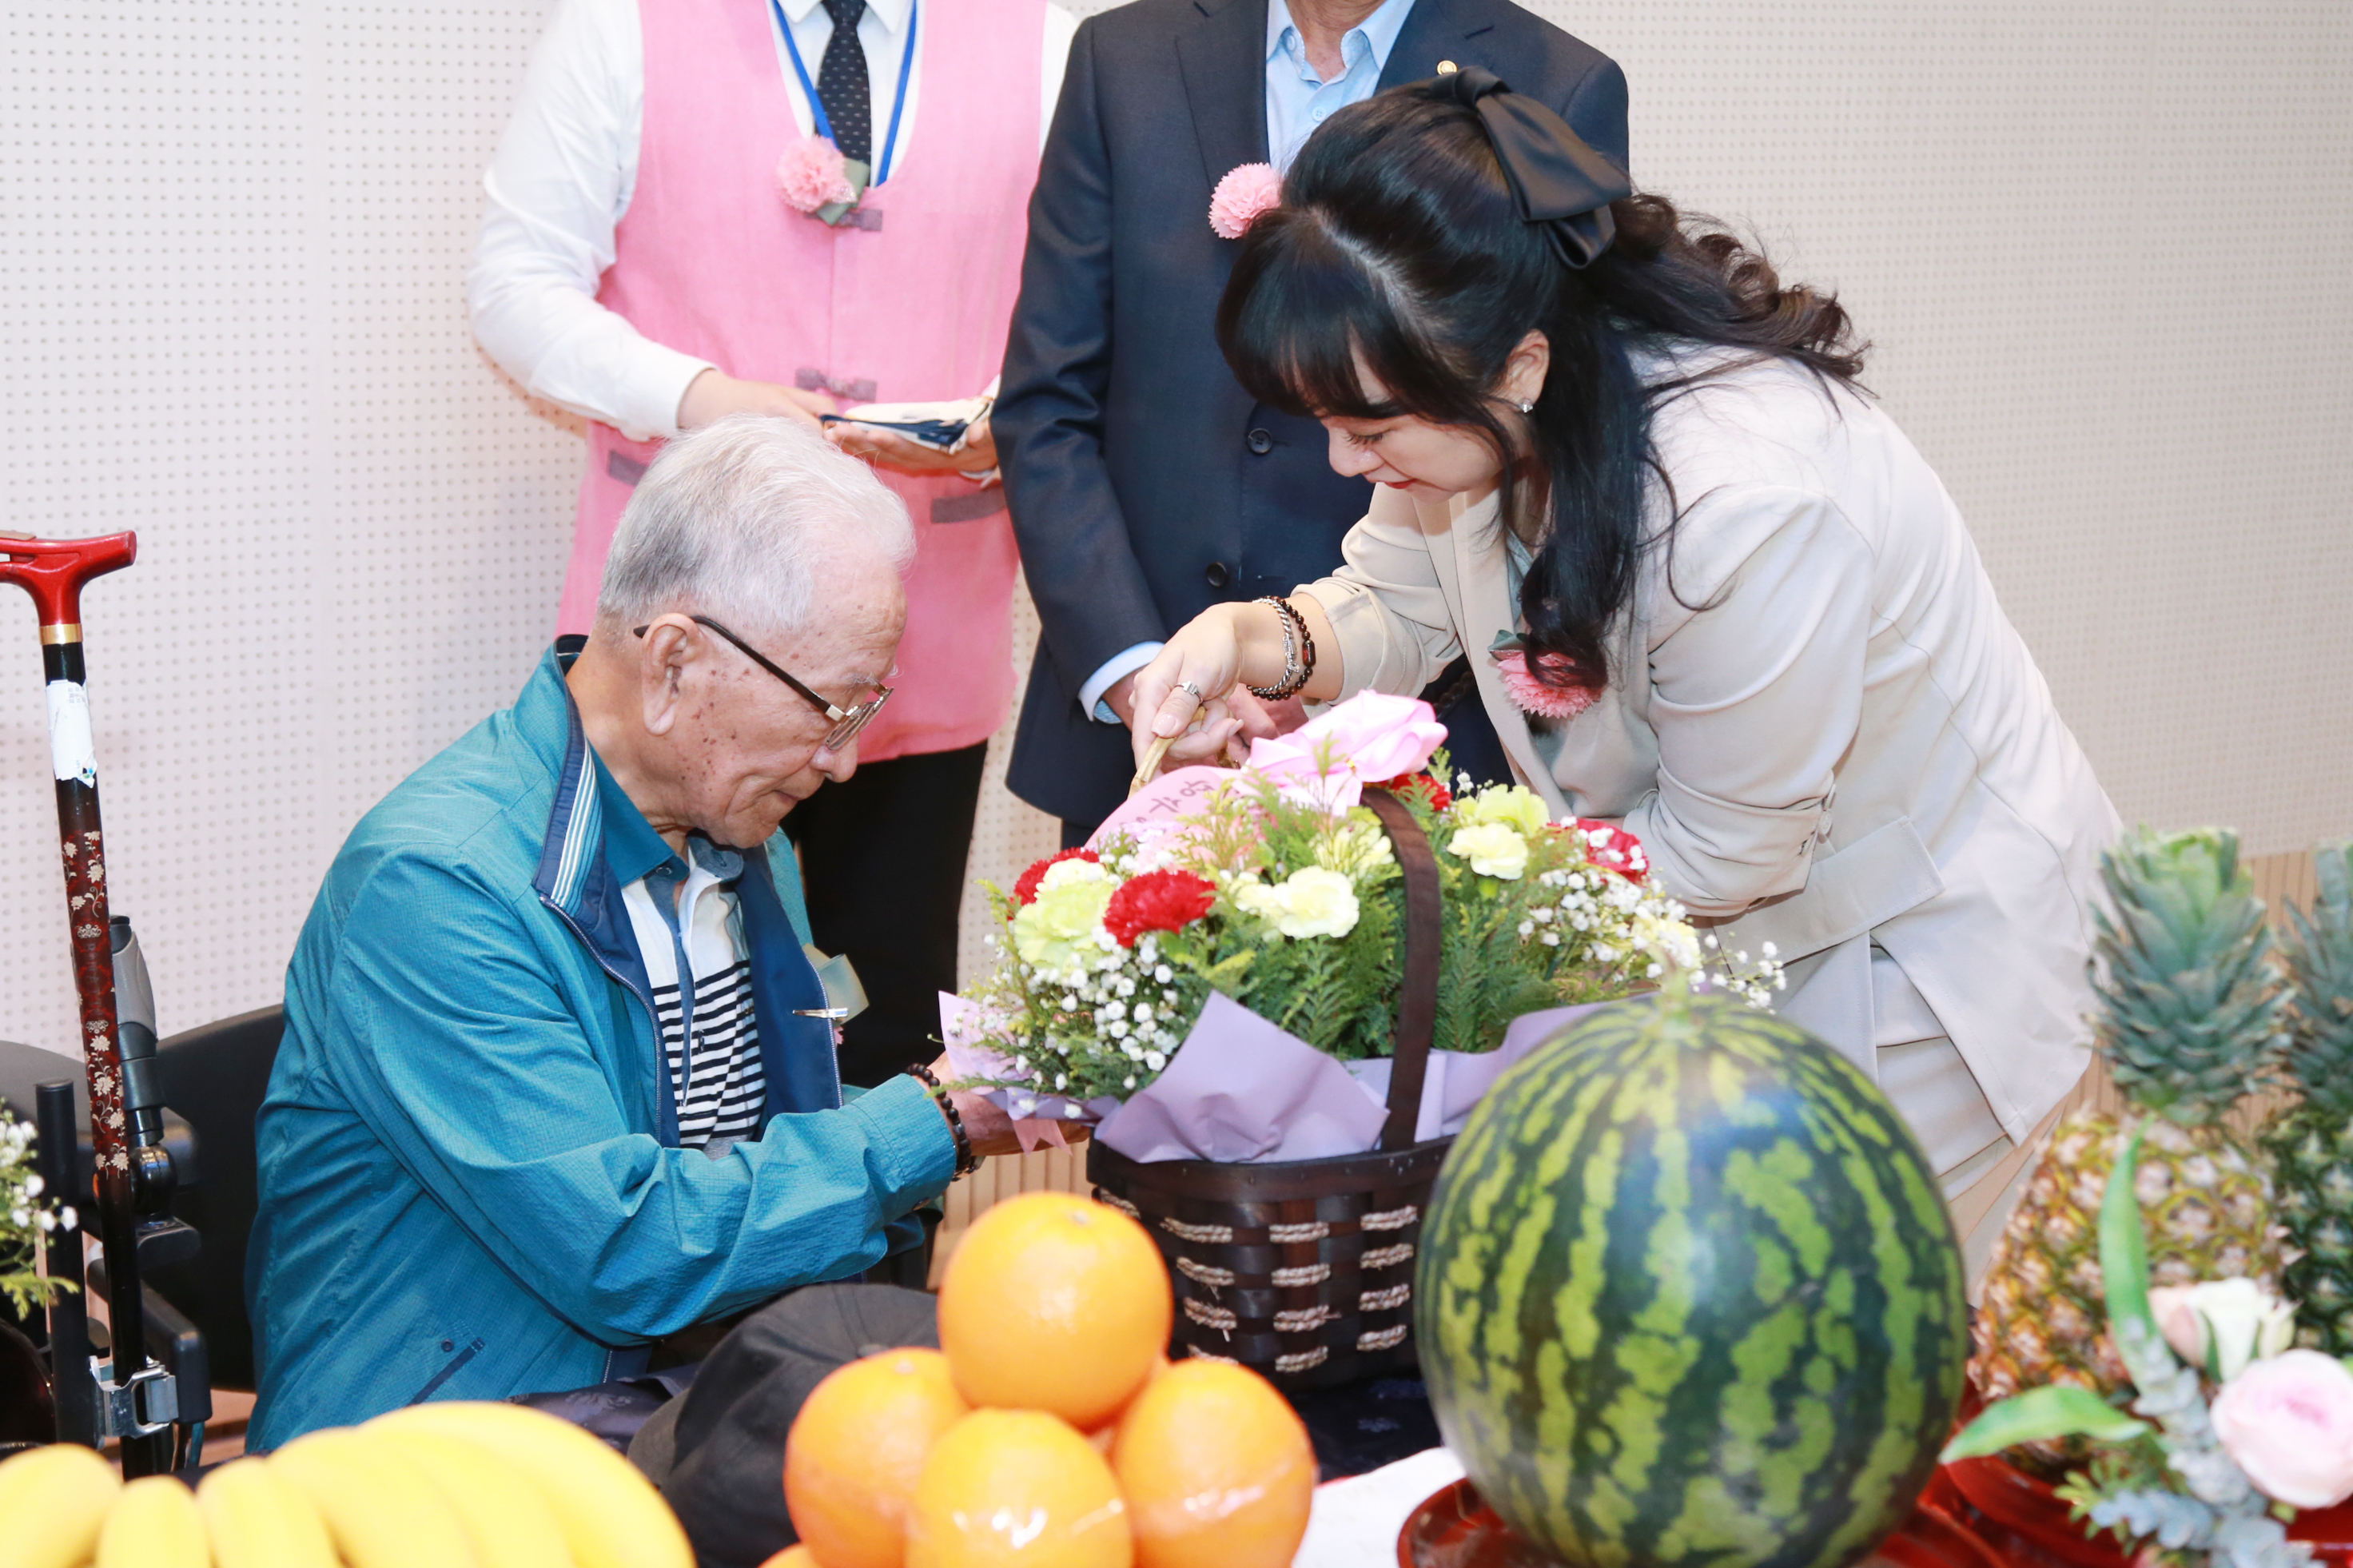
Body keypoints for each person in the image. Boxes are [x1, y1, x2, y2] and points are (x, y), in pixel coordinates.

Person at [1131, 73, 2119, 1275]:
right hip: (1722, 954)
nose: (1346, 461)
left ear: (1521, 363)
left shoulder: (1746, 503)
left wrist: (1437, 907)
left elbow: (1727, 850)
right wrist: (1254, 639)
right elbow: (1394, 600)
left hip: (1913, 970)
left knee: (1815, 1354)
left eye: (1372, 427)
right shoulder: (1479, 401)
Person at [245, 420, 1018, 1449]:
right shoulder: (438, 887)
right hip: (436, 1462)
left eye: (866, 708)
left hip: (673, 1410)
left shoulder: (741, 834)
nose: (841, 764)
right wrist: (942, 1119)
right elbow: (626, 1251)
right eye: (828, 710)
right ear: (673, 664)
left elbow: (766, 1152)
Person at [471, 0, 1076, 1086]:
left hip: (923, 641)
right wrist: (697, 398)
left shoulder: (1047, 42)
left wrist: (1009, 421)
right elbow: (515, 290)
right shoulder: (621, 27)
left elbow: (1086, 316)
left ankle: (878, 1265)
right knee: (652, 1029)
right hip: (682, 639)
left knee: (890, 1035)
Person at [994, 0, 1629, 845]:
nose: (1342, 453)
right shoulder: (1123, 54)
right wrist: (1143, 675)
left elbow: (1545, 419)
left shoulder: (1553, 80)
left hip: (1423, 729)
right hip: (1153, 718)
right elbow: (1047, 403)